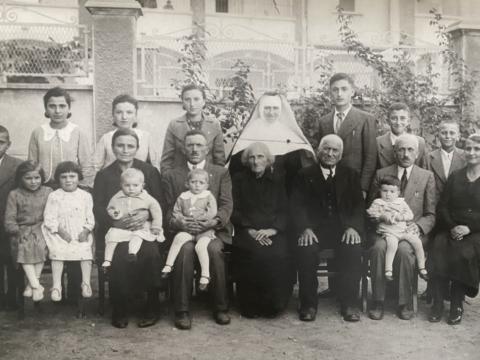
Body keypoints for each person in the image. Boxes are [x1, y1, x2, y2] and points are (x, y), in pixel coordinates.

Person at [161, 129, 232, 329]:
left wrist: (214, 221)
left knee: (213, 249)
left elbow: (227, 204)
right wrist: (178, 222)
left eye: (199, 145)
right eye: (190, 145)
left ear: (207, 148)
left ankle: (220, 306)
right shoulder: (172, 175)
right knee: (185, 250)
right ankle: (182, 310)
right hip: (183, 231)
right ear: (183, 149)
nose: (194, 149)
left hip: (211, 231)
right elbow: (167, 208)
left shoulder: (220, 172)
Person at [93, 128, 163, 328]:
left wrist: (146, 215)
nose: (125, 150)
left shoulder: (149, 171)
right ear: (112, 147)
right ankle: (120, 307)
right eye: (120, 145)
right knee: (120, 254)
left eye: (130, 146)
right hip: (117, 229)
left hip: (144, 229)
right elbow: (97, 207)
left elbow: (160, 203)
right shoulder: (104, 175)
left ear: (138, 148)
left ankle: (151, 306)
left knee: (149, 253)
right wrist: (115, 221)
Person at [290, 134, 365, 322]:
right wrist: (305, 228)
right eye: (326, 149)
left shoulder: (351, 175)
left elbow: (358, 206)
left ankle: (349, 304)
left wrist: (353, 227)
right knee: (306, 250)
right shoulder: (304, 175)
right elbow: (296, 206)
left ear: (341, 154)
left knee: (354, 250)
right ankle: (308, 305)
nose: (330, 154)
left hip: (343, 231)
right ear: (318, 150)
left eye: (335, 150)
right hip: (315, 231)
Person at [368, 134, 436, 321]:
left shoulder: (426, 176)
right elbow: (370, 207)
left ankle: (404, 302)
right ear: (395, 152)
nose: (406, 154)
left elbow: (431, 213)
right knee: (378, 249)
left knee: (406, 251)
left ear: (417, 153)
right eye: (401, 149)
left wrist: (420, 227)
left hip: (409, 232)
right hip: (384, 230)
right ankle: (378, 301)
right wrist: (380, 219)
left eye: (410, 150)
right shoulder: (382, 173)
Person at [231, 142, 292, 318]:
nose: (256, 161)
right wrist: (249, 229)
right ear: (246, 160)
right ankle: (250, 305)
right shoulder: (238, 179)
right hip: (247, 231)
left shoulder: (278, 180)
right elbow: (234, 209)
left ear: (268, 160)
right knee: (254, 254)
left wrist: (273, 230)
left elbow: (284, 210)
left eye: (260, 157)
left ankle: (274, 304)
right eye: (252, 157)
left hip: (273, 232)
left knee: (278, 253)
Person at [428, 133, 480, 325]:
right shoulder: (456, 176)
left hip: (475, 232)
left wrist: (469, 228)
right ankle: (438, 302)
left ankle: (457, 303)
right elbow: (443, 206)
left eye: (477, 149)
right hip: (451, 227)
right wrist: (452, 226)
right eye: (468, 148)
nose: (472, 153)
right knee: (438, 246)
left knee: (462, 252)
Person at [228, 91, 315, 194]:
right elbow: (236, 169)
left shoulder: (288, 133)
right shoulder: (250, 132)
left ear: (281, 110)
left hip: (281, 193)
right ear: (261, 109)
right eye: (267, 108)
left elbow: (294, 172)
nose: (271, 112)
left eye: (275, 108)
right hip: (251, 191)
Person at [315, 73, 377, 197]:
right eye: (335, 90)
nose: (339, 94)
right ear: (330, 93)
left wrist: (363, 188)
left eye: (344, 89)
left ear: (352, 92)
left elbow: (370, 158)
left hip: (354, 183)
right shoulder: (324, 121)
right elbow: (322, 156)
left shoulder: (365, 119)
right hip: (329, 183)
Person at [42, 161, 94, 302]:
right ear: (58, 179)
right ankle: (57, 285)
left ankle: (86, 283)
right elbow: (49, 218)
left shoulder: (85, 196)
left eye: (72, 176)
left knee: (85, 250)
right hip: (59, 233)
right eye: (64, 177)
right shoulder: (54, 196)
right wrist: (61, 232)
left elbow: (90, 218)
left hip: (80, 232)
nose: (68, 180)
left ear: (79, 177)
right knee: (58, 252)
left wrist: (86, 230)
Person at [161, 168, 217, 291]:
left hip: (204, 231)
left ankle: (205, 275)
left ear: (207, 185)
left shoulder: (208, 196)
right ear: (187, 183)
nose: (197, 185)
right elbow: (176, 211)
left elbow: (212, 211)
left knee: (200, 247)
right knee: (178, 238)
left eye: (201, 183)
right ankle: (168, 265)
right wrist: (182, 220)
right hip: (188, 229)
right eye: (193, 182)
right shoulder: (183, 197)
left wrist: (203, 219)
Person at [4, 161, 51, 302]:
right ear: (20, 179)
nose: (33, 182)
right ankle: (37, 286)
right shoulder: (15, 194)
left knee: (41, 244)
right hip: (22, 230)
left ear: (42, 178)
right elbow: (9, 220)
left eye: (37, 178)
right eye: (28, 178)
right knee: (23, 245)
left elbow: (55, 214)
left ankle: (32, 285)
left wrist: (48, 228)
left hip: (43, 228)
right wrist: (17, 231)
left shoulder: (48, 192)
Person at [28, 87, 93, 187]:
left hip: (71, 188)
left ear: (69, 108)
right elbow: (31, 165)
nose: (57, 111)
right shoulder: (38, 133)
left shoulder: (78, 132)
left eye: (62, 106)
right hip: (43, 188)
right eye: (52, 106)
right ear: (46, 108)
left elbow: (86, 166)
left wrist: (82, 188)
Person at [367, 176, 428, 281]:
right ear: (380, 191)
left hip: (403, 230)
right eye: (385, 191)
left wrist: (402, 217)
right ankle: (388, 270)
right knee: (392, 246)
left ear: (398, 192)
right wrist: (381, 216)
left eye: (392, 191)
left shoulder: (401, 202)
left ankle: (422, 267)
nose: (388, 194)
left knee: (417, 242)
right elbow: (370, 213)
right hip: (389, 232)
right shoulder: (378, 202)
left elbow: (410, 214)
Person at [103, 168, 164, 268]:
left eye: (135, 185)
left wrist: (156, 226)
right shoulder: (117, 197)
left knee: (137, 236)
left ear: (142, 185)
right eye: (127, 185)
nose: (131, 188)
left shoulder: (147, 198)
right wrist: (114, 213)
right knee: (112, 237)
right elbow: (110, 208)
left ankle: (132, 253)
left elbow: (157, 212)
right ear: (121, 185)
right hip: (122, 228)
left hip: (140, 227)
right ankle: (107, 260)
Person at [160, 84, 225, 174]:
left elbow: (219, 160)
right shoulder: (174, 125)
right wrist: (169, 180)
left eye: (196, 99)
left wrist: (215, 180)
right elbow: (166, 160)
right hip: (180, 179)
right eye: (187, 99)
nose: (192, 104)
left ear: (204, 101)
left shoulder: (214, 125)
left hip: (207, 179)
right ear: (182, 102)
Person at [93, 94, 159, 172]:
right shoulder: (106, 138)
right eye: (119, 112)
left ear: (135, 115)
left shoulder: (146, 137)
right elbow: (95, 167)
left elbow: (155, 166)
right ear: (113, 115)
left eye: (129, 112)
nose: (124, 117)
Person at [0, 126, 22, 310]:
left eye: (0, 142)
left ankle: (13, 297)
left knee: (12, 259)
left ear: (8, 144)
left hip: (9, 219)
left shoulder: (16, 166)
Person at [376, 102, 427, 169]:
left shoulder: (419, 142)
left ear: (408, 121)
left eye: (402, 118)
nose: (398, 122)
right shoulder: (378, 143)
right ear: (388, 121)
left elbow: (424, 172)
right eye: (394, 118)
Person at [426, 120, 466, 200]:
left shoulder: (465, 157)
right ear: (438, 135)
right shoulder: (429, 158)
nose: (448, 136)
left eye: (452, 133)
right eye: (444, 133)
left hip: (458, 206)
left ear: (458, 136)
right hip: (435, 206)